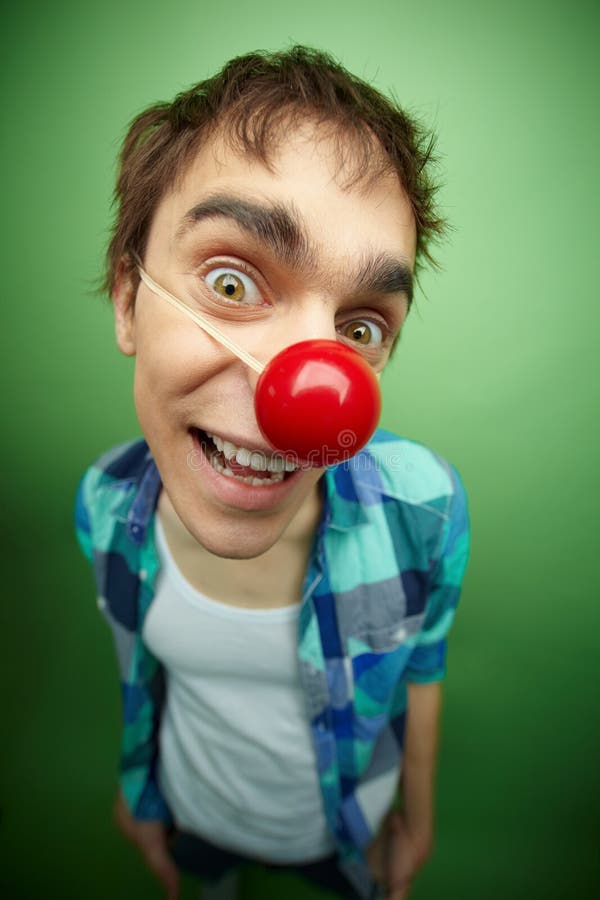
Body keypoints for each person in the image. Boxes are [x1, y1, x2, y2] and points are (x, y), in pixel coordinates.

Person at [74, 46, 470, 900]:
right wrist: (139, 790)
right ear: (125, 296)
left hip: (346, 828)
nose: (306, 393)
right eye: (231, 279)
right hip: (194, 814)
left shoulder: (426, 511)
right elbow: (139, 673)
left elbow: (424, 671)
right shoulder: (104, 508)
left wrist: (416, 821)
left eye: (361, 328)